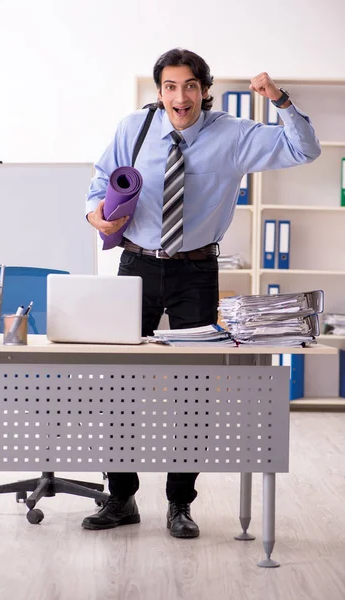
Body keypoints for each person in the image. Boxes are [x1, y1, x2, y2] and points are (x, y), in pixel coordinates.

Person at [83, 48, 321, 538]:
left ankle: (179, 504)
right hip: (136, 264)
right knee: (117, 382)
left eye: (190, 85)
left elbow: (304, 150)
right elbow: (99, 182)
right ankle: (122, 496)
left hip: (195, 270)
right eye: (170, 86)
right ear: (160, 91)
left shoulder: (233, 134)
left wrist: (279, 100)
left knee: (192, 393)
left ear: (204, 90)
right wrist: (96, 215)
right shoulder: (136, 127)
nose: (180, 96)